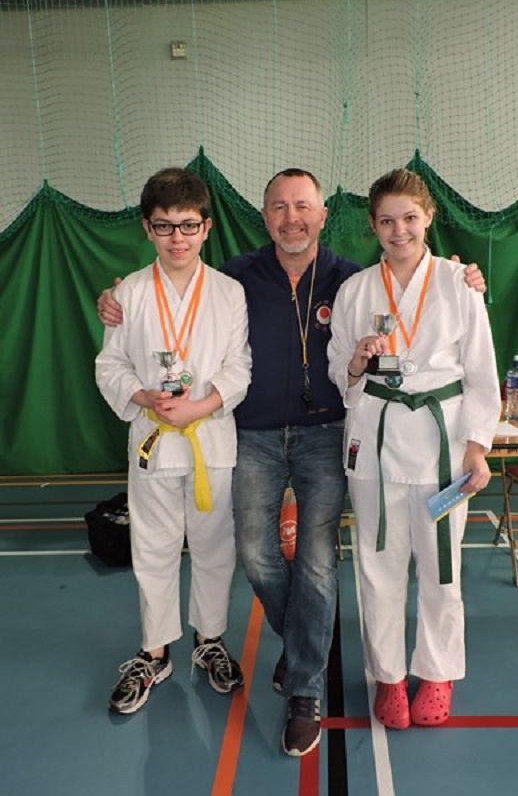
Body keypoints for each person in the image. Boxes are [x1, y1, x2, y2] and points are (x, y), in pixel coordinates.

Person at [97, 168, 487, 754]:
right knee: (255, 553)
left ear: (323, 215)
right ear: (264, 216)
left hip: (329, 436)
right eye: (279, 207)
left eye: (303, 206)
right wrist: (116, 297)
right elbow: (179, 289)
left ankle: (306, 685)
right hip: (253, 434)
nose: (291, 217)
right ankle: (308, 641)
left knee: (320, 564)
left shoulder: (350, 279)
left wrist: (469, 280)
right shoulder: (236, 278)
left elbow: (456, 353)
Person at [327, 168, 500, 731]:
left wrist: (477, 447)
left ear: (428, 217)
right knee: (378, 568)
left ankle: (439, 671)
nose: (398, 230)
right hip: (374, 445)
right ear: (372, 225)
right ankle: (390, 677)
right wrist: (355, 359)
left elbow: (481, 375)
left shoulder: (457, 285)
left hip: (443, 447)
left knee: (441, 566)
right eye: (386, 220)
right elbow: (339, 372)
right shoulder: (355, 290)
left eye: (409, 218)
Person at [95, 168, 251, 715]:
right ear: (147, 229)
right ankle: (154, 651)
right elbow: (109, 364)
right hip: (154, 439)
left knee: (214, 547)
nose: (177, 238)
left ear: (206, 227)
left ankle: (209, 641)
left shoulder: (229, 293)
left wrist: (201, 405)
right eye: (164, 227)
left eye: (188, 226)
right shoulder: (128, 294)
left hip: (210, 439)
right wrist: (142, 397)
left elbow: (239, 367)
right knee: (154, 548)